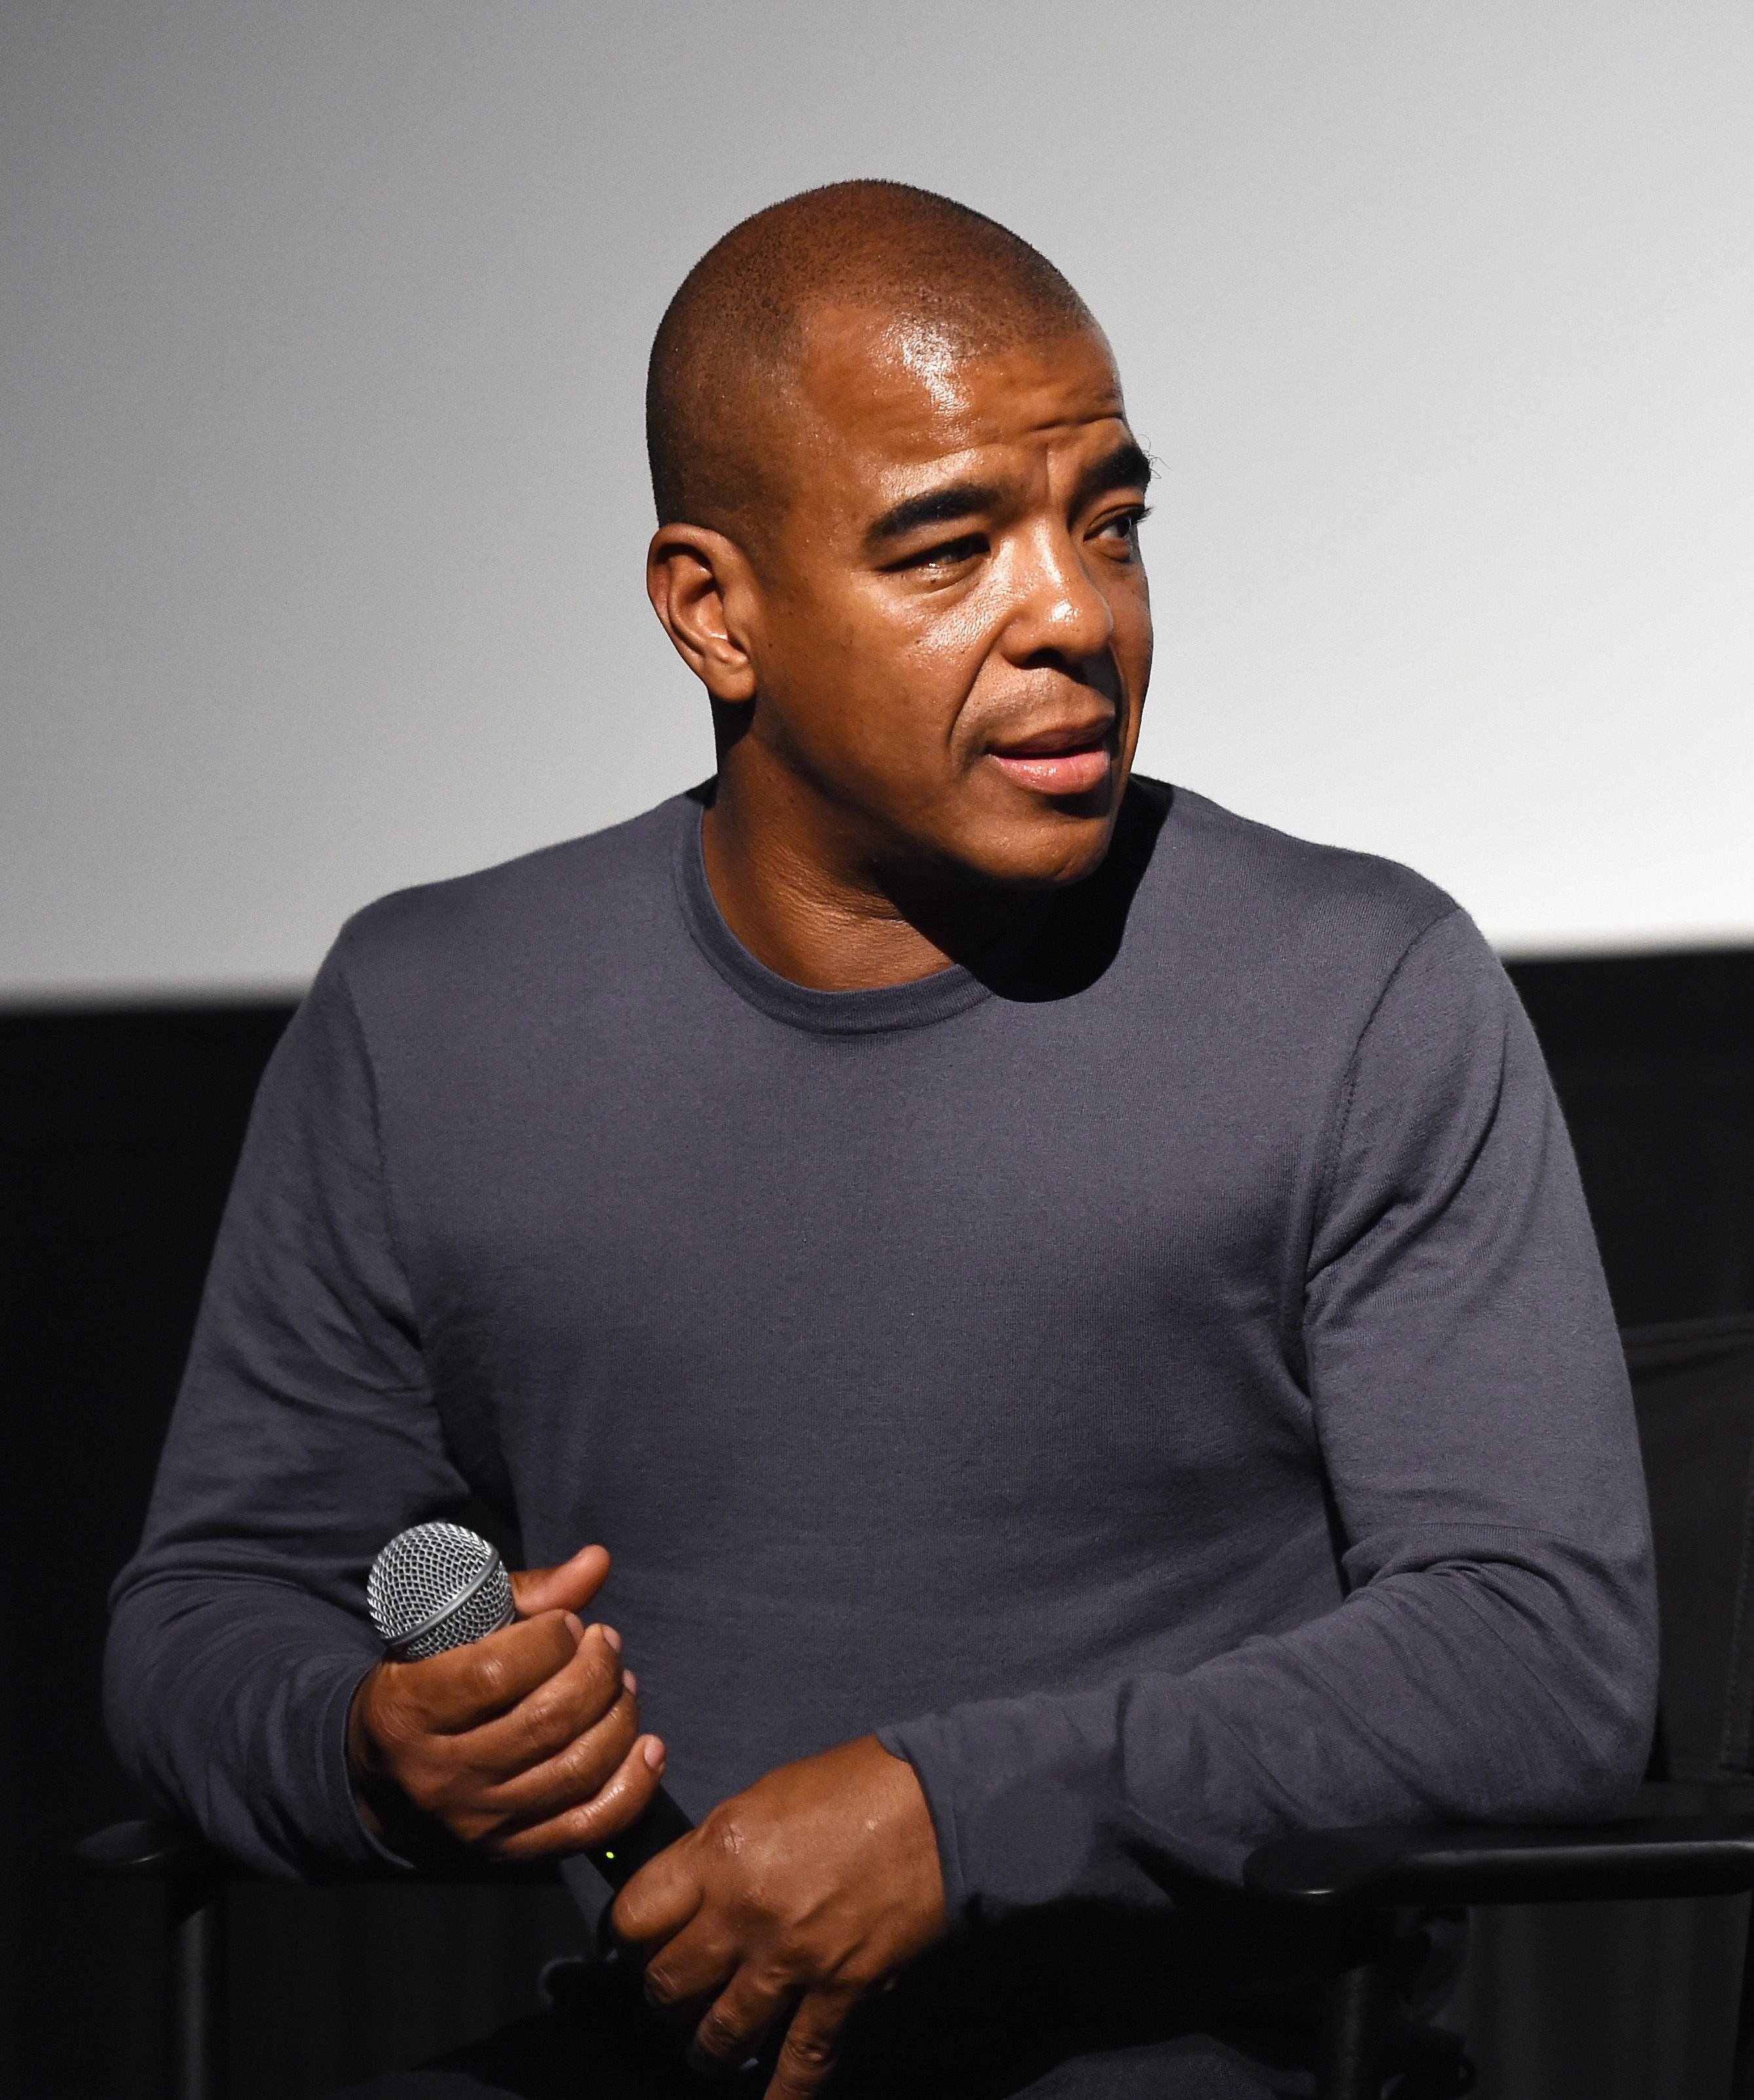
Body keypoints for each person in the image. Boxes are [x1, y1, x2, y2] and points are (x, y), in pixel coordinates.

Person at [105, 181, 1656, 2099]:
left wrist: (956, 1819)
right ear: (713, 610)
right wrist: (372, 1745)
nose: (1076, 614)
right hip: (666, 2055)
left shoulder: (1355, 988)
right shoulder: (431, 1014)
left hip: (1193, 2051)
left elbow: (1536, 1653)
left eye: (1112, 523)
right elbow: (207, 1615)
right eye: (948, 548)